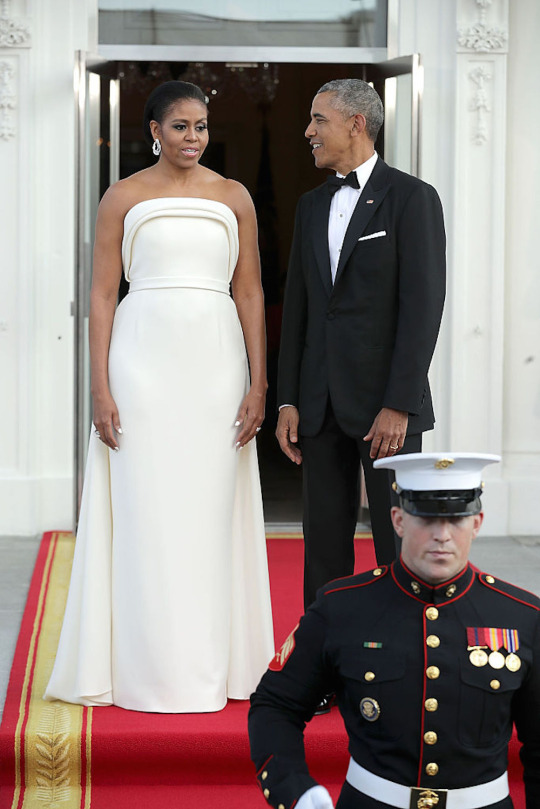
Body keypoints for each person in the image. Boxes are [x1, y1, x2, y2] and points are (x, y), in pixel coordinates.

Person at [45, 80, 274, 712]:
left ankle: (216, 666)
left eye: (201, 126)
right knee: (145, 509)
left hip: (215, 366)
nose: (193, 138)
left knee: (207, 511)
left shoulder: (234, 197)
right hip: (142, 364)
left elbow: (249, 292)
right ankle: (141, 669)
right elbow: (100, 295)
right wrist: (100, 385)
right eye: (180, 126)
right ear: (154, 130)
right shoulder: (123, 195)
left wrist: (259, 380)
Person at [248, 452, 540, 808]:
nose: (441, 535)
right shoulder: (342, 608)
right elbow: (275, 705)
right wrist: (294, 790)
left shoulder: (522, 617)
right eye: (426, 519)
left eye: (456, 520)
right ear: (398, 520)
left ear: (477, 523)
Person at [275, 79, 446, 613]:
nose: (308, 132)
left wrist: (400, 403)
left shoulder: (413, 198)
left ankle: (406, 661)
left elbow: (423, 309)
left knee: (400, 545)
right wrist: (288, 400)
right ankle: (322, 663)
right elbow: (300, 311)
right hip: (319, 405)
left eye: (318, 119)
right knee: (323, 546)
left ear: (356, 123)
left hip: (386, 410)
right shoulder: (309, 206)